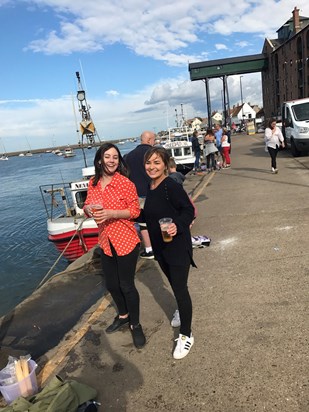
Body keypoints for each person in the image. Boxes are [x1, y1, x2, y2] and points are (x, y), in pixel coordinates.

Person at [83, 143, 146, 349]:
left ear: (119, 161)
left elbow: (135, 212)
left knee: (126, 285)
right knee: (111, 284)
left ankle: (135, 325)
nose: (111, 160)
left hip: (126, 240)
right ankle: (123, 315)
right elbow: (86, 206)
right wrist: (90, 209)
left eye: (115, 157)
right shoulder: (93, 183)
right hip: (106, 241)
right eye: (107, 156)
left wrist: (111, 213)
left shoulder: (125, 183)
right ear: (100, 159)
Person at [143, 146, 196, 360]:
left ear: (165, 164)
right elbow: (151, 214)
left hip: (177, 246)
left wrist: (177, 225)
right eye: (149, 162)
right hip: (161, 248)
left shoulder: (169, 186)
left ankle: (186, 334)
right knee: (174, 284)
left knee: (181, 289)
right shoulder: (152, 186)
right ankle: (180, 312)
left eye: (157, 162)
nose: (152, 167)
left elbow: (189, 210)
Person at [124, 131, 156, 259]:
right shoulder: (153, 154)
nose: (154, 142)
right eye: (154, 140)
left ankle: (149, 250)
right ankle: (161, 245)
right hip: (153, 191)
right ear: (149, 140)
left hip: (136, 194)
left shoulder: (129, 156)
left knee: (143, 222)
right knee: (158, 219)